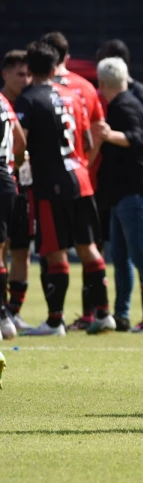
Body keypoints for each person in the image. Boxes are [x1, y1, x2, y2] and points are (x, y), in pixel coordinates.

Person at [14, 41, 110, 336]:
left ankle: (55, 320)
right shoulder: (73, 96)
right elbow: (90, 143)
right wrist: (79, 165)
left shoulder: (28, 98)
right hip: (81, 180)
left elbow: (20, 145)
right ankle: (104, 314)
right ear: (56, 66)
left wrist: (19, 165)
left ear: (29, 69)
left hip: (50, 185)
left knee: (54, 252)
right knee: (88, 248)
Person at [93, 57, 143, 333]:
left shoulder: (125, 105)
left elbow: (138, 139)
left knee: (141, 258)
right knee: (121, 259)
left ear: (101, 83)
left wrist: (110, 135)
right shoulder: (126, 103)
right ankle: (121, 315)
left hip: (136, 193)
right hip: (125, 194)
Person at [0, 51, 32, 333]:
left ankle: (12, 312)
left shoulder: (28, 102)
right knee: (4, 247)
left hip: (19, 186)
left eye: (28, 74)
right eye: (20, 74)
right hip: (10, 180)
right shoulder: (7, 103)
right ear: (5, 74)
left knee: (20, 249)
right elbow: (21, 143)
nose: (26, 79)